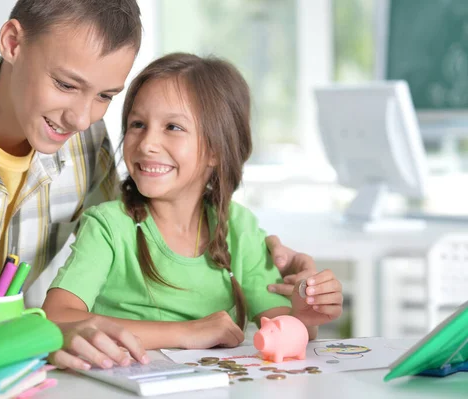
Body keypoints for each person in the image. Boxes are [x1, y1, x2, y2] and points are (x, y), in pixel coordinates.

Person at [0, 0, 315, 369]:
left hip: (7, 369)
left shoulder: (83, 138)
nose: (81, 118)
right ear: (12, 42)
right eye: (66, 84)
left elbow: (132, 228)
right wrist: (48, 330)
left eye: (105, 97)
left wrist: (269, 256)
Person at [42, 53, 344, 351]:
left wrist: (306, 313)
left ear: (216, 150)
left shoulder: (240, 228)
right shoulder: (108, 226)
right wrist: (186, 333)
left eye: (172, 127)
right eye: (137, 124)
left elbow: (283, 325)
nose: (147, 143)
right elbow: (57, 318)